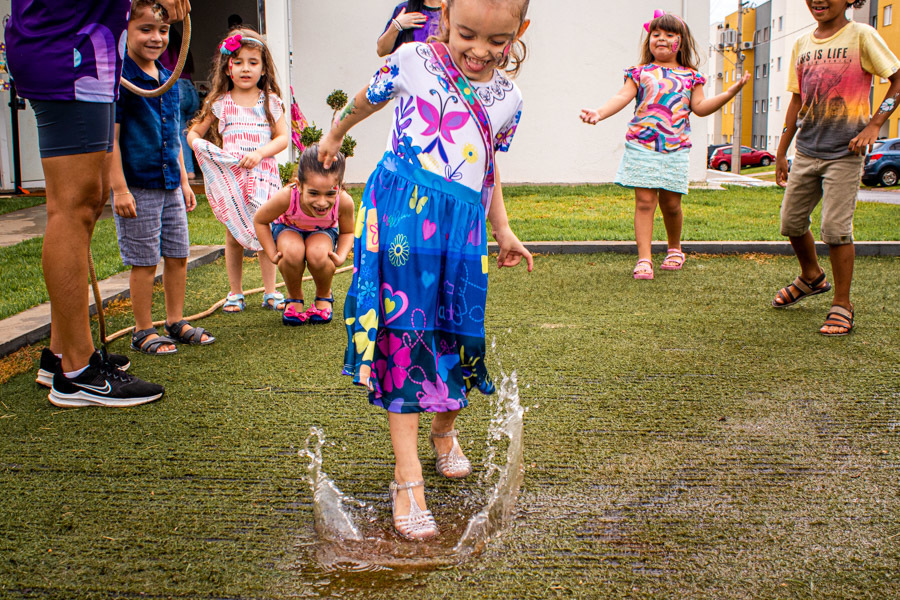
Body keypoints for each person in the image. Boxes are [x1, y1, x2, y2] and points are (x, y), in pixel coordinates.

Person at [319, 0, 533, 541]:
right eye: (466, 33)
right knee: (406, 334)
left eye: (498, 41)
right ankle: (406, 476)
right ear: (443, 20)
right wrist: (330, 138)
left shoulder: (510, 99)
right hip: (402, 215)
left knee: (456, 334)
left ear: (519, 33)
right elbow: (365, 102)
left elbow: (488, 166)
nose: (480, 51)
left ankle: (443, 432)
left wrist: (502, 228)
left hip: (462, 227)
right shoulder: (414, 58)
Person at [7, 0, 189, 408]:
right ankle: (77, 372)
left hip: (80, 47)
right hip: (71, 49)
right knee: (75, 207)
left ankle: (60, 355)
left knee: (79, 206)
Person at [580, 11, 749, 280]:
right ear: (649, 40)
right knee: (645, 202)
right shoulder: (638, 73)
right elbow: (622, 96)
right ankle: (644, 259)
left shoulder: (691, 77)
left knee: (671, 205)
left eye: (669, 34)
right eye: (656, 34)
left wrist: (729, 93)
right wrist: (600, 113)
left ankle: (674, 248)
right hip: (642, 146)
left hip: (676, 149)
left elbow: (701, 108)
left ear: (680, 43)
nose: (661, 38)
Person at [773, 0, 900, 336]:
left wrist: (874, 125)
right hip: (806, 150)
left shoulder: (861, 35)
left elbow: (897, 79)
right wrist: (782, 151)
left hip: (844, 152)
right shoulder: (801, 44)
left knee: (835, 229)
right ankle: (812, 276)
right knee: (791, 222)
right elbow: (797, 101)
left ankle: (842, 304)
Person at [111, 0, 214, 356]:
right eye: (146, 29)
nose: (156, 38)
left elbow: (172, 136)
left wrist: (185, 180)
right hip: (138, 185)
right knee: (144, 260)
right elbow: (111, 138)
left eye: (164, 30)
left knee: (177, 253)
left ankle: (175, 320)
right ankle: (142, 330)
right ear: (127, 30)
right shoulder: (122, 78)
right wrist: (119, 188)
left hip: (171, 183)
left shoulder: (168, 78)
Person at [187, 30, 290, 314]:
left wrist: (259, 153)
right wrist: (202, 147)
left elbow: (282, 138)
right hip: (233, 179)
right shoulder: (220, 102)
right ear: (227, 67)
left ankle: (271, 291)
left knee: (263, 233)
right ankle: (235, 292)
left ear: (263, 68)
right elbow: (194, 133)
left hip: (262, 175)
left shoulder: (269, 101)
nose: (246, 68)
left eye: (253, 62)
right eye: (238, 61)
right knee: (233, 235)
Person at [253, 146, 355, 326]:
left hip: (322, 232)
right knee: (292, 251)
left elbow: (347, 231)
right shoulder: (287, 196)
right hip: (288, 228)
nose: (322, 202)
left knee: (318, 253)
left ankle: (324, 295)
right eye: (314, 193)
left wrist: (340, 255)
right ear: (299, 185)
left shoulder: (344, 201)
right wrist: (270, 253)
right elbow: (260, 220)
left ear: (339, 187)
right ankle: (294, 296)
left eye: (330, 193)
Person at [160, 26, 200, 179]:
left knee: (180, 133)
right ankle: (195, 168)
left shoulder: (164, 48)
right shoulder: (182, 47)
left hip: (177, 88)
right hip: (191, 89)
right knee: (190, 132)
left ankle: (188, 171)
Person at [377, 0, 443, 57]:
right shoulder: (405, 9)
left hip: (445, 69)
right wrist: (396, 25)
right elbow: (381, 50)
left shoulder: (450, 11)